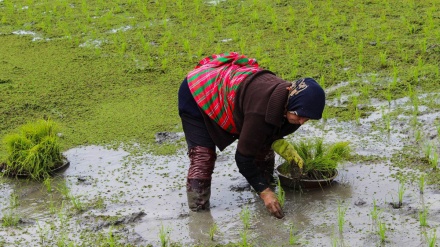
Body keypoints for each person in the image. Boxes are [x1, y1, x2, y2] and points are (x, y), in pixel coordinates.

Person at [178, 52, 325, 219]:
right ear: (292, 101)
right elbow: (243, 158)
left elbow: (268, 135)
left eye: (308, 119)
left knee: (262, 147)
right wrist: (265, 192)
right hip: (199, 93)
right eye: (300, 115)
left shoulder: (292, 111)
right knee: (203, 157)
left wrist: (282, 146)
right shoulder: (260, 112)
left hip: (238, 93)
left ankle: (263, 188)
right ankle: (199, 216)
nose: (302, 122)